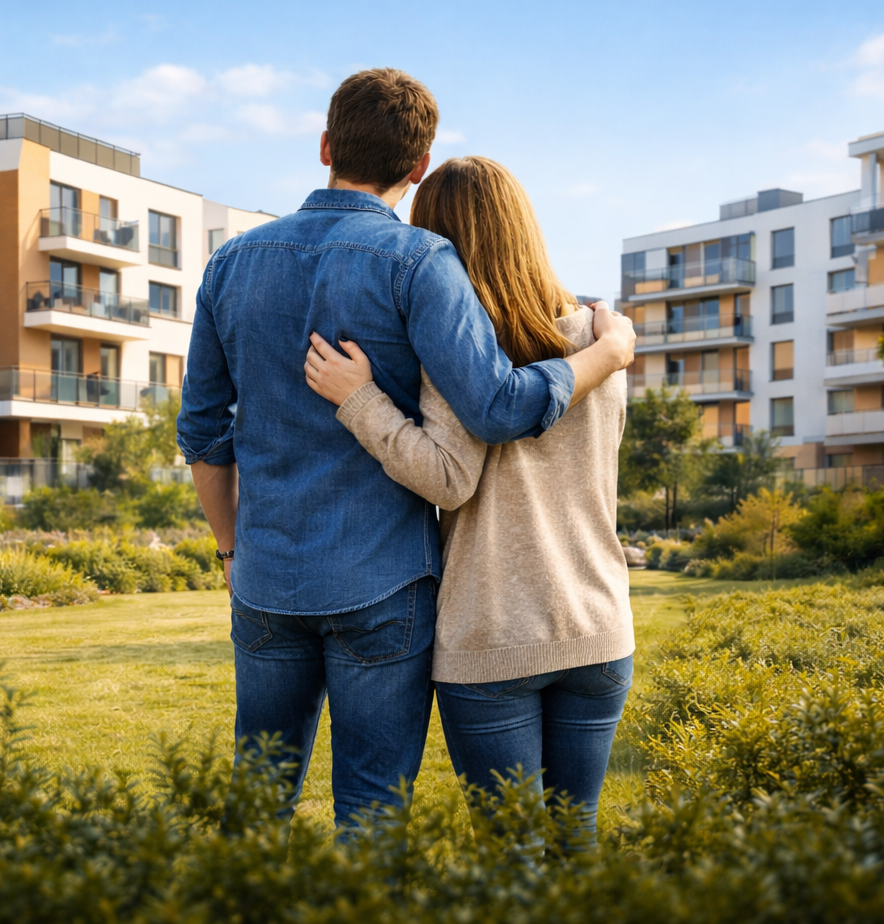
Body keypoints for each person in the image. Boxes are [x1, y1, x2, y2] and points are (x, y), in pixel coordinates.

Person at [177, 68, 636, 828]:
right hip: (384, 582)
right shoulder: (422, 263)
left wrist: (230, 549)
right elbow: (496, 406)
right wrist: (606, 354)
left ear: (325, 146)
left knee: (256, 801)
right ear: (418, 166)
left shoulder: (229, 263)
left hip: (265, 579)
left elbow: (202, 430)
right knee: (373, 812)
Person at [303, 155, 633, 847]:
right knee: (575, 841)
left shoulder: (459, 351)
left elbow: (448, 479)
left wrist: (360, 402)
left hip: (493, 634)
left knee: (513, 856)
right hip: (599, 627)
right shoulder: (602, 340)